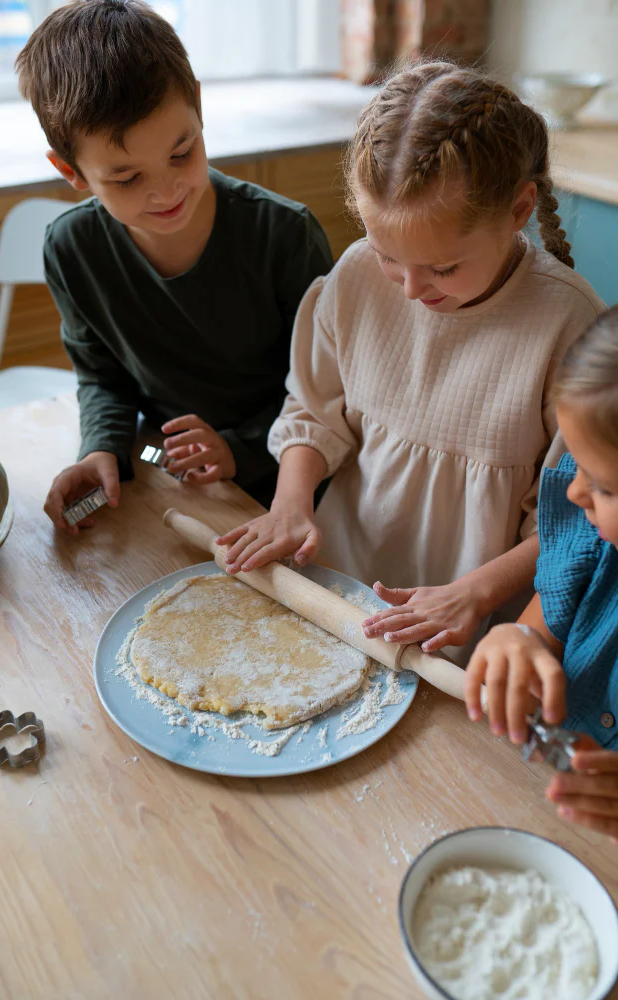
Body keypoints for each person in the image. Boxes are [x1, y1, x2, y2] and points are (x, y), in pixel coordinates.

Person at [219, 60, 604, 661]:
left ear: (518, 210)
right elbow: (314, 411)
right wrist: (291, 503)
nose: (409, 289)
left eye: (443, 268)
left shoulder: (571, 326)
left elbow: (576, 521)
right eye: (387, 256)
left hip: (465, 629)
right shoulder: (354, 278)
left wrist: (475, 593)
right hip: (340, 592)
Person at [15, 0, 333, 532]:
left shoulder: (284, 234)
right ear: (71, 171)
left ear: (199, 108)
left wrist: (240, 448)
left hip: (291, 484)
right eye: (126, 178)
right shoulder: (71, 247)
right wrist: (101, 448)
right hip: (169, 473)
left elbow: (328, 391)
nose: (166, 192)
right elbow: (101, 375)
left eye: (182, 152)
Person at [465, 308, 618, 842]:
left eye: (604, 486)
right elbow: (534, 637)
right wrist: (514, 644)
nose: (574, 492)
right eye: (577, 465)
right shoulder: (595, 540)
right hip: (537, 812)